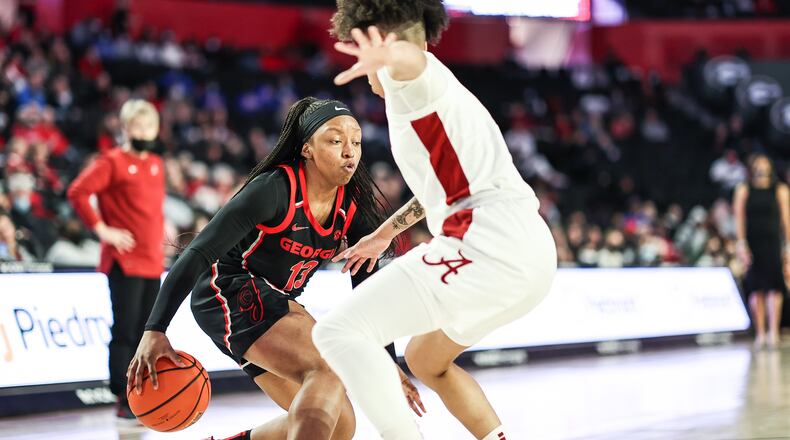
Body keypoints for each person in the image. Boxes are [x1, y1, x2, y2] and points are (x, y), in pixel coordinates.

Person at [312, 3, 557, 439]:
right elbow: (438, 190)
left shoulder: (413, 80)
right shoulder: (442, 92)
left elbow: (412, 62)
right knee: (426, 359)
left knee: (338, 331)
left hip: (487, 247)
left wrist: (390, 57)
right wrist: (384, 234)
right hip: (528, 250)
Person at [127, 98, 423, 440]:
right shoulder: (274, 189)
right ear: (307, 149)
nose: (349, 152)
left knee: (339, 427)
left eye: (355, 141)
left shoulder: (352, 207)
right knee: (326, 366)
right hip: (227, 289)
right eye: (335, 140)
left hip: (274, 303)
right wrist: (155, 328)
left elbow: (368, 290)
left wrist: (388, 364)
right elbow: (198, 252)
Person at [67, 99, 166, 420]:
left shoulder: (156, 163)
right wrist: (102, 230)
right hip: (124, 261)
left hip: (153, 259)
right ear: (125, 128)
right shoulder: (112, 162)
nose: (144, 132)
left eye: (149, 127)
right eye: (137, 126)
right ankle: (123, 397)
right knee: (125, 330)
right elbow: (78, 191)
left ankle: (143, 394)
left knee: (147, 333)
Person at [733, 154, 789, 349]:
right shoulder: (744, 189)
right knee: (756, 288)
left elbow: (786, 219)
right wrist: (741, 243)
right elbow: (739, 217)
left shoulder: (780, 189)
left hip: (773, 242)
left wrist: (788, 246)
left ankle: (773, 332)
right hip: (753, 242)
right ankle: (760, 333)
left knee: (774, 287)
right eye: (758, 163)